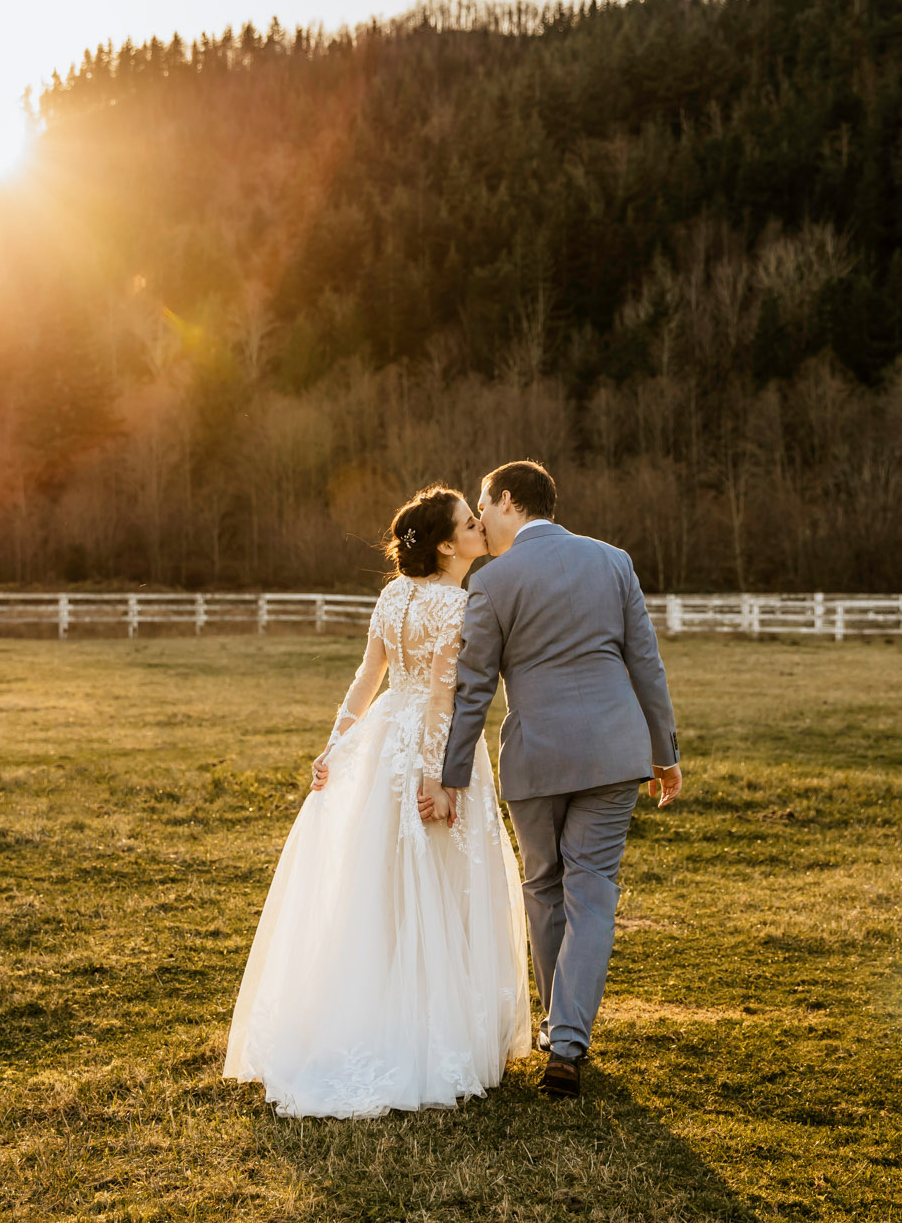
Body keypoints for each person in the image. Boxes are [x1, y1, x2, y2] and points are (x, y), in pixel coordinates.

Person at [223, 485, 530, 1118]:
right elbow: (444, 700)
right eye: (471, 524)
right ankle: (423, 1028)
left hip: (383, 738)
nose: (481, 529)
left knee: (383, 885)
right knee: (436, 883)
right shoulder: (459, 605)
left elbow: (369, 677)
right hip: (430, 752)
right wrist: (435, 779)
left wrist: (338, 743)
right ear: (448, 544)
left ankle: (378, 1008)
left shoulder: (392, 596)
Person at [432, 459, 682, 1100]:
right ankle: (568, 1039)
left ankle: (560, 1030)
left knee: (544, 886)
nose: (480, 517)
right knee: (593, 888)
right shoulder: (613, 561)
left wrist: (453, 772)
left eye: (484, 503)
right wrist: (665, 751)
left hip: (537, 758)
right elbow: (645, 663)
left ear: (508, 500)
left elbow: (474, 687)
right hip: (614, 752)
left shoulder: (494, 580)